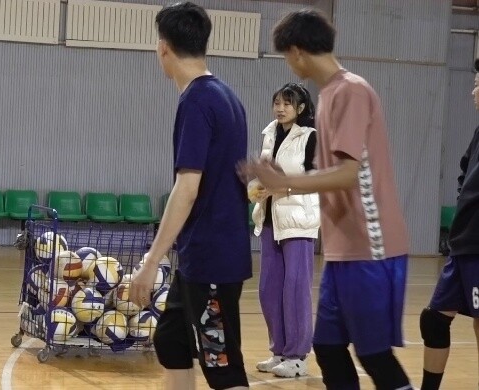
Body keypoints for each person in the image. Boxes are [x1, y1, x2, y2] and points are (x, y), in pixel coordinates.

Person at [237, 9, 413, 389]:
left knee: (373, 354)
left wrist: (283, 183)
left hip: (371, 246)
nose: (288, 63)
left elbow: (350, 173)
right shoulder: (331, 94)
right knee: (329, 348)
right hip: (342, 249)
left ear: (297, 51)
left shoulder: (350, 90)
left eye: (286, 55)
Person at [129, 2, 251, 389]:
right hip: (201, 258)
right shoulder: (226, 95)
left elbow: (188, 186)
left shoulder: (198, 100)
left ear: (163, 47)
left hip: (212, 261)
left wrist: (150, 261)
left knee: (222, 367)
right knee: (172, 342)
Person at [249, 82, 319, 378]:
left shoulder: (311, 137)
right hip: (269, 220)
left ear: (300, 108)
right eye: (277, 102)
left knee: (295, 289)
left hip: (298, 223)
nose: (280, 108)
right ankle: (278, 350)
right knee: (269, 290)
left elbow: (318, 180)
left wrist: (283, 186)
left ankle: (297, 356)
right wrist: (256, 188)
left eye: (287, 104)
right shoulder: (269, 133)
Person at [419, 58, 479, 390]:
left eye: (477, 83)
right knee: (434, 320)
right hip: (463, 245)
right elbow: (463, 174)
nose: (473, 90)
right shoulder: (478, 132)